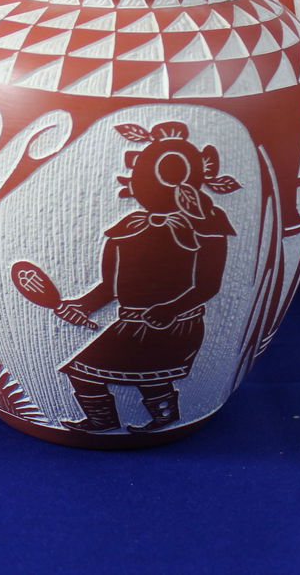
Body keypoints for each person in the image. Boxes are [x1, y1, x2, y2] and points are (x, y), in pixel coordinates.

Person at [37, 121, 239, 434]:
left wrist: (170, 309)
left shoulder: (207, 226)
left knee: (149, 373)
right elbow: (110, 285)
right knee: (92, 372)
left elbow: (209, 284)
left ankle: (162, 419)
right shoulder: (127, 228)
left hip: (176, 322)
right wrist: (83, 305)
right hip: (132, 322)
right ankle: (110, 421)